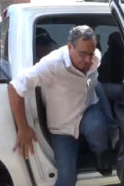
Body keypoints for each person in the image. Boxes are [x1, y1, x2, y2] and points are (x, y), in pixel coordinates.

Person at [8, 25, 112, 186]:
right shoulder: (52, 65)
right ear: (70, 47)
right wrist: (23, 128)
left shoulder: (95, 57)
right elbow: (15, 87)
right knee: (67, 179)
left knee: (98, 129)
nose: (87, 60)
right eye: (82, 54)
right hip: (62, 127)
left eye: (90, 54)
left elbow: (94, 78)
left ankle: (102, 156)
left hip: (88, 109)